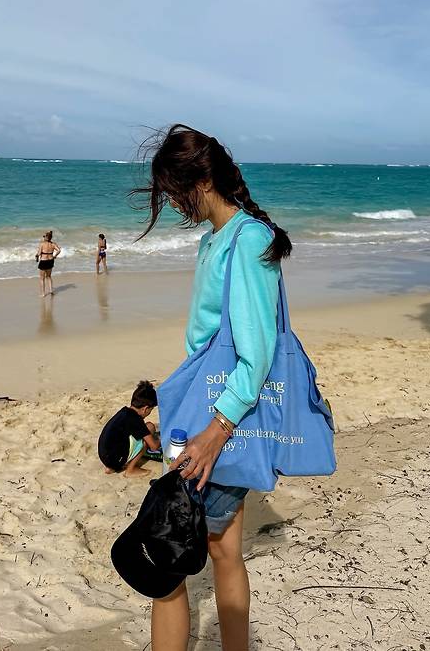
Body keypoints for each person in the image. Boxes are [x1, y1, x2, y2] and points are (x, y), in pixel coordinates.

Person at [131, 124, 292, 651]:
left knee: (168, 566)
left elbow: (256, 353)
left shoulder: (248, 240)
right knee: (223, 553)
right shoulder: (217, 239)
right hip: (204, 412)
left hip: (218, 421)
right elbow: (209, 343)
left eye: (176, 192)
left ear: (201, 180)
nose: (175, 204)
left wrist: (214, 432)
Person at [98, 381, 161, 477]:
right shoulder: (136, 421)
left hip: (104, 456)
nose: (149, 413)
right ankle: (131, 470)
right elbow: (154, 447)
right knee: (150, 428)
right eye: (150, 410)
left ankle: (111, 467)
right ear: (145, 409)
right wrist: (162, 440)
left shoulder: (124, 412)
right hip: (115, 459)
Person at [34, 230, 61, 297]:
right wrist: (55, 256)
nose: (43, 237)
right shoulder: (53, 244)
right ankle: (51, 290)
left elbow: (39, 253)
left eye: (44, 236)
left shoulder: (42, 244)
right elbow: (59, 250)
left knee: (42, 278)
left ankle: (43, 294)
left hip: (43, 261)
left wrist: (36, 256)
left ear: (46, 237)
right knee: (49, 276)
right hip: (51, 261)